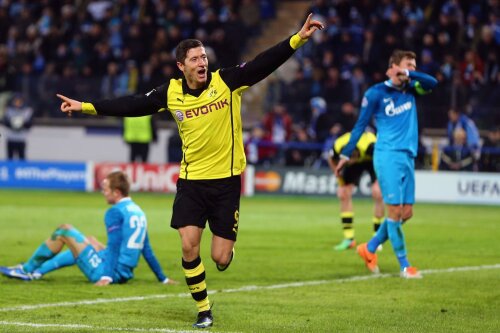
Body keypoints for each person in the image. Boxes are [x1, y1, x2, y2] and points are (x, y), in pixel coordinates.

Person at [56, 14, 324, 328]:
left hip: (226, 182)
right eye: (195, 58)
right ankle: (204, 309)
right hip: (191, 182)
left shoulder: (227, 81)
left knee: (220, 258)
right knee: (187, 245)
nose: (202, 62)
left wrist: (298, 38)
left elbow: (263, 63)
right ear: (181, 66)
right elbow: (130, 104)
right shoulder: (170, 93)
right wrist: (85, 106)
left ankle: (227, 254)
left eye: (204, 57)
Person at [335, 50, 438, 279]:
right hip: (387, 155)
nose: (410, 68)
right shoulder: (376, 93)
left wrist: (410, 73)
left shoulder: (413, 88)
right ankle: (405, 266)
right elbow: (360, 126)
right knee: (393, 212)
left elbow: (433, 83)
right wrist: (345, 154)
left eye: (414, 64)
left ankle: (368, 248)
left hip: (408, 157)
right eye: (406, 64)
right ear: (392, 67)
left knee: (406, 213)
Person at [0, 171, 177, 286]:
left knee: (64, 230)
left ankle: (26, 270)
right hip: (124, 272)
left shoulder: (115, 212)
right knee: (90, 241)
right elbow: (146, 249)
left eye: (105, 189)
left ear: (116, 192)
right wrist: (163, 278)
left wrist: (106, 277)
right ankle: (37, 273)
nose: (103, 192)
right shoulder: (138, 212)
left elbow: (114, 246)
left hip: (109, 272)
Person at [327, 131, 384, 251]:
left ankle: (377, 238)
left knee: (377, 193)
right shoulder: (338, 146)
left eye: (351, 160)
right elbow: (330, 159)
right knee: (343, 193)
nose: (350, 163)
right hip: (356, 159)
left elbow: (383, 157)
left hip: (374, 160)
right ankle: (349, 239)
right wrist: (337, 175)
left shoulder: (370, 146)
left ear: (356, 155)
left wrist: (380, 181)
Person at [3, 93, 33, 160]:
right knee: (9, 159)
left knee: (22, 158)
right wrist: (13, 124)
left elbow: (29, 124)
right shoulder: (9, 110)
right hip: (11, 138)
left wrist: (21, 124)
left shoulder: (27, 111)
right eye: (16, 101)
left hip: (21, 138)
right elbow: (5, 122)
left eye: (19, 101)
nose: (17, 103)